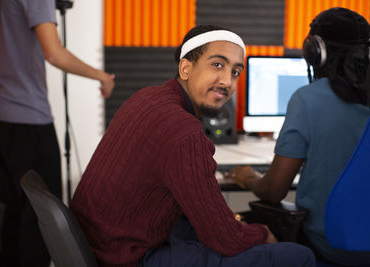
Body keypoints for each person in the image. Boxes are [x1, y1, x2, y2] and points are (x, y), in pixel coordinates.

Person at [70, 24, 315, 267]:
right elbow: (227, 240)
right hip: (130, 257)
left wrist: (227, 220)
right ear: (185, 68)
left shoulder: (145, 97)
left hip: (101, 245)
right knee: (298, 256)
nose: (227, 81)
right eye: (217, 65)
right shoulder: (184, 130)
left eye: (235, 72)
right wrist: (261, 233)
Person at [226, 7, 370, 266]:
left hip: (329, 248)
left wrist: (249, 178)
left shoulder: (308, 99)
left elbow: (273, 192)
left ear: (314, 52)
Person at [0, 0, 115, 266]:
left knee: (15, 209)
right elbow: (54, 53)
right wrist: (101, 76)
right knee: (41, 217)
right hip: (27, 117)